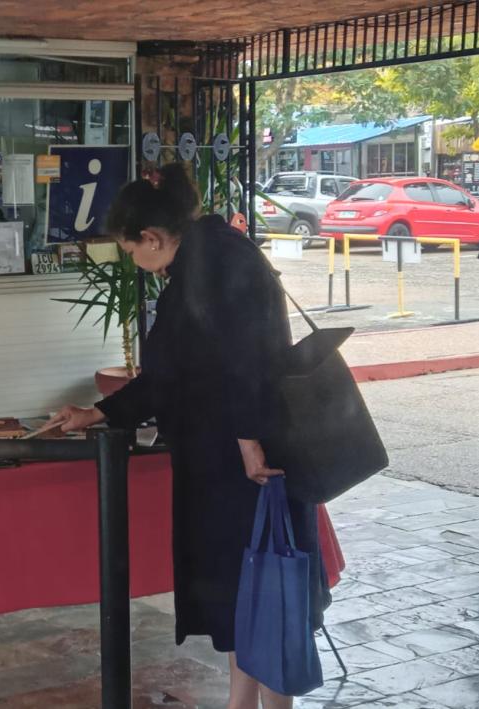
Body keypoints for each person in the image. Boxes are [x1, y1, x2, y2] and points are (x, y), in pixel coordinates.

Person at [49, 164, 329, 709]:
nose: (136, 262)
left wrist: (248, 439)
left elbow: (251, 356)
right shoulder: (208, 257)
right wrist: (99, 413)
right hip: (225, 458)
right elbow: (173, 373)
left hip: (245, 463)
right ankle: (241, 701)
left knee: (261, 585)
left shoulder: (218, 263)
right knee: (240, 590)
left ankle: (268, 704)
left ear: (152, 238)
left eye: (132, 251)